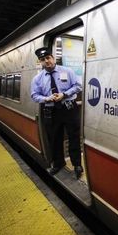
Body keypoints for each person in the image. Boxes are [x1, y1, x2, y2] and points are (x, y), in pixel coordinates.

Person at [30, 47, 83, 178]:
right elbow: (34, 95)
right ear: (40, 62)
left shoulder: (68, 71)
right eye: (43, 59)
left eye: (48, 58)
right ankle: (58, 163)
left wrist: (64, 94)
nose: (46, 61)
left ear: (53, 58)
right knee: (54, 138)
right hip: (51, 111)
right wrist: (46, 98)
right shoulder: (38, 78)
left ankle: (77, 164)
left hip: (69, 108)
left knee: (73, 137)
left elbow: (78, 86)